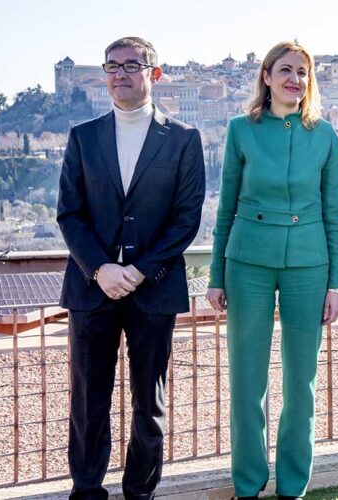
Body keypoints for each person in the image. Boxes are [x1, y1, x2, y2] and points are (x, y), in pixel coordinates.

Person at [57, 37, 205, 499]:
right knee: (87, 402)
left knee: (150, 403)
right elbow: (69, 213)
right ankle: (86, 491)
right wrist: (100, 267)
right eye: (112, 66)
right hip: (91, 287)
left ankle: (140, 492)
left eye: (131, 66)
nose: (120, 74)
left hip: (153, 288)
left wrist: (139, 270)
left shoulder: (183, 138)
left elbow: (187, 217)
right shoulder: (83, 136)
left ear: (154, 74)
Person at [204, 41, 338, 500]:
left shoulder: (324, 135)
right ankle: (248, 486)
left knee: (301, 383)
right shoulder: (241, 130)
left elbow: (332, 213)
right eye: (285, 70)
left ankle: (292, 489)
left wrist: (336, 284)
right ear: (266, 76)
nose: (295, 80)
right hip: (247, 264)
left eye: (303, 73)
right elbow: (225, 207)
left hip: (309, 265)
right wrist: (217, 276)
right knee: (247, 381)